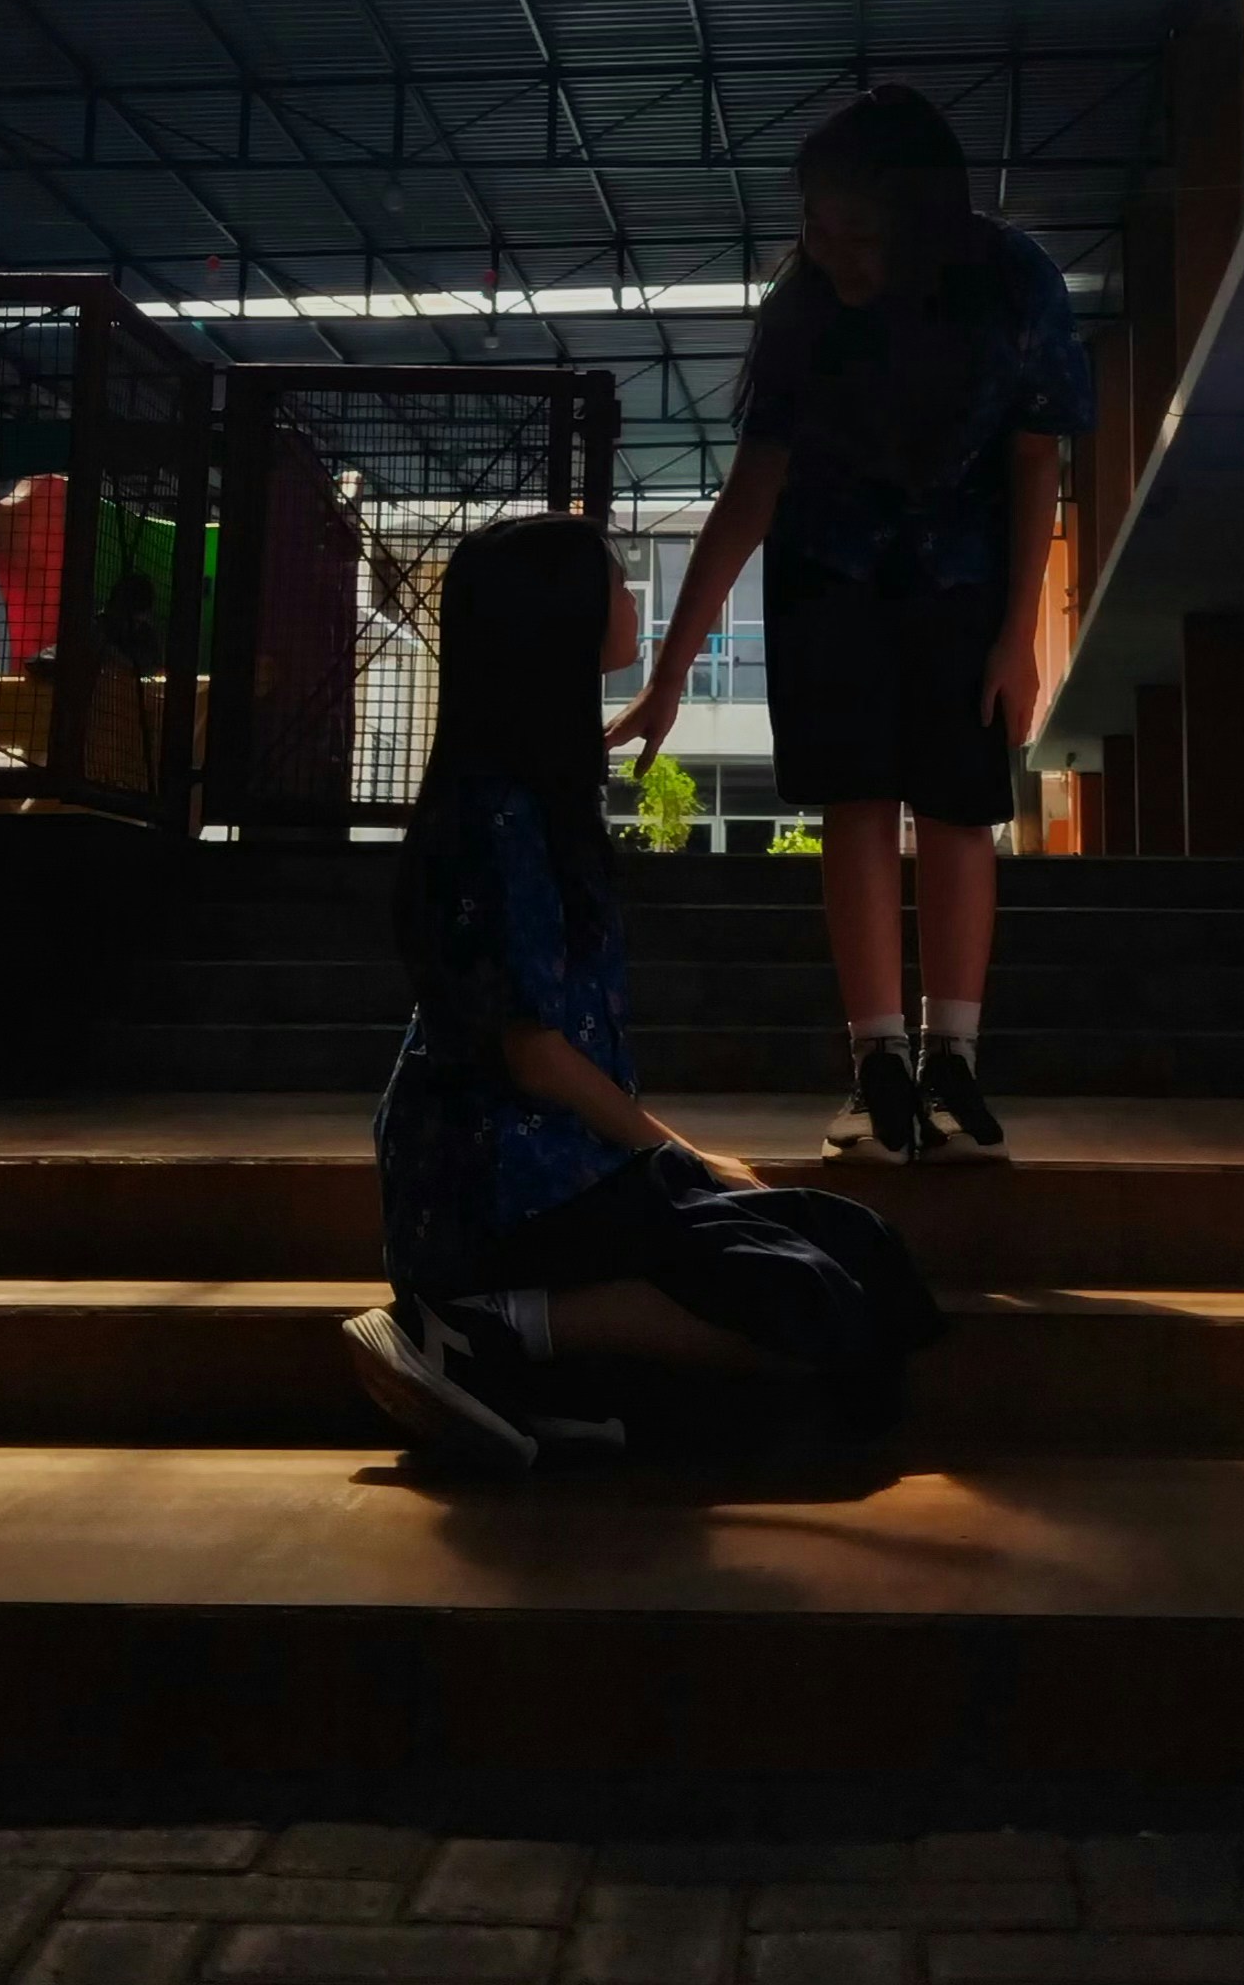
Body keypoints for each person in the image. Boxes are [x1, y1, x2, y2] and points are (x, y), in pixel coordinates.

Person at [345, 513, 940, 1474]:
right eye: (617, 582)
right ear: (557, 621)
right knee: (812, 1303)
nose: (632, 600)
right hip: (498, 1196)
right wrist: (682, 1156)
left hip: (568, 1173)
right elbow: (531, 1052)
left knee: (853, 1245)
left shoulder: (539, 792)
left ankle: (534, 1368)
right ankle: (482, 1326)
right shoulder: (493, 816)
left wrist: (678, 1160)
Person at [608, 83, 1095, 1167]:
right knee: (854, 800)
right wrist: (671, 668)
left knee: (963, 804)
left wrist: (1018, 632)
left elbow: (1034, 460)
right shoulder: (804, 307)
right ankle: (877, 1064)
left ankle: (952, 1059)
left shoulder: (1012, 283)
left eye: (855, 230)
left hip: (962, 578)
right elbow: (753, 486)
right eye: (813, 225)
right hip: (827, 575)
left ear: (923, 222)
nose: (827, 250)